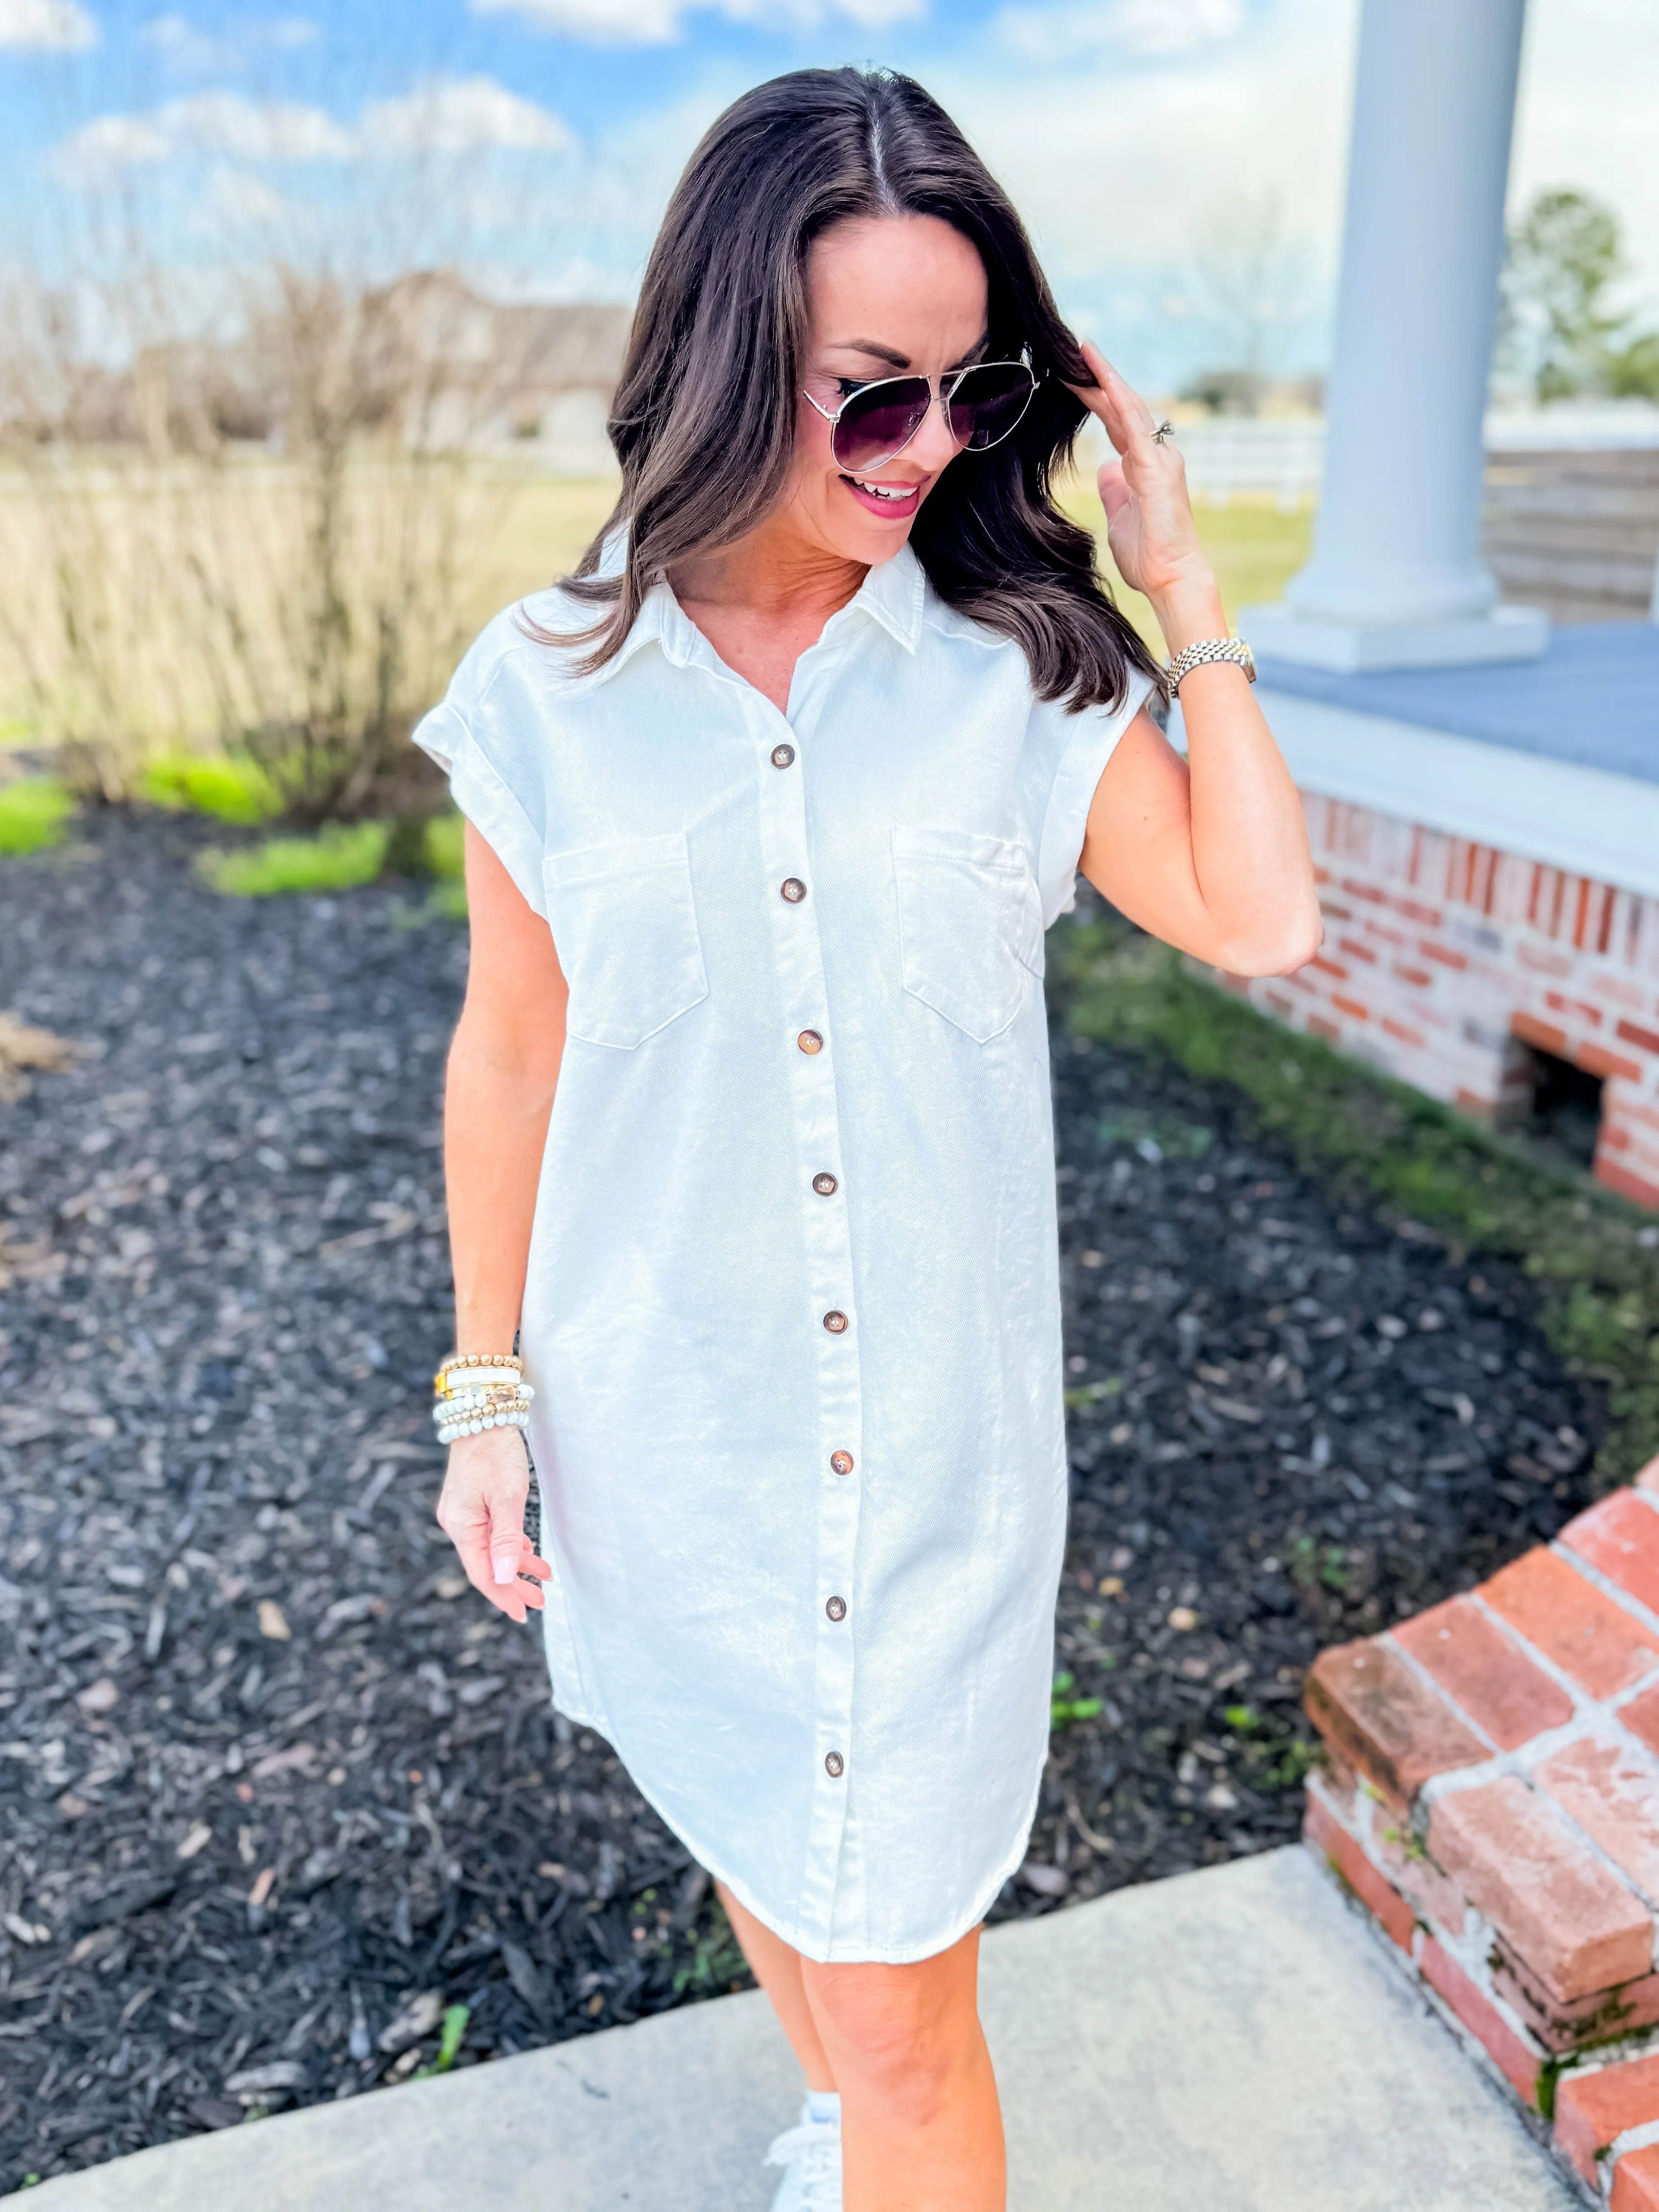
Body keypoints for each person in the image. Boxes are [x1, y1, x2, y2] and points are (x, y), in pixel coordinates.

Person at [415, 64, 1320, 2212]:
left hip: (926, 1484)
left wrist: (1174, 575)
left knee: (913, 2027)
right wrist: (484, 1397)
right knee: (752, 1834)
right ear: (729, 359)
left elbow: (1258, 914)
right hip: (668, 1449)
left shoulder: (1013, 667)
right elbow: (511, 1058)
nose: (927, 450)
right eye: (866, 395)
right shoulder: (545, 684)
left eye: (967, 394)